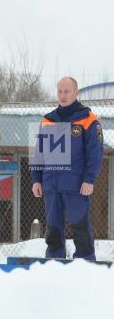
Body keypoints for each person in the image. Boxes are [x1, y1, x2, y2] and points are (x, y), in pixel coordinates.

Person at [31, 76, 103, 260]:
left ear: (76, 93)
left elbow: (94, 154)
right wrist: (36, 179)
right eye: (60, 91)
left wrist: (89, 180)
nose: (62, 95)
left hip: (76, 185)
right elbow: (39, 153)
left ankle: (86, 262)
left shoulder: (88, 120)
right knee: (53, 227)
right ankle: (54, 260)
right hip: (51, 184)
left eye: (67, 91)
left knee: (80, 226)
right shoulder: (48, 120)